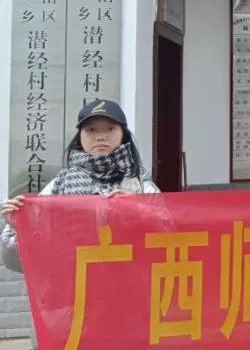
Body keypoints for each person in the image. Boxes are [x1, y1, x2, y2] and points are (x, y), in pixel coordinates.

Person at [0, 100, 159, 350]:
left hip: (126, 304)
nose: (100, 136)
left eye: (110, 129)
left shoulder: (141, 187)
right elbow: (17, 260)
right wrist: (20, 228)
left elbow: (167, 238)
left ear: (123, 134)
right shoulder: (58, 187)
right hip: (66, 304)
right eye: (91, 130)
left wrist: (138, 212)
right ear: (80, 137)